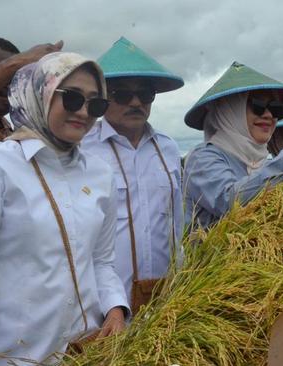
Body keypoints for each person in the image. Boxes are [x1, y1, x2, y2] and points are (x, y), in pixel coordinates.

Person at [0, 52, 129, 366]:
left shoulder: (101, 173)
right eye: (73, 98)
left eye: (96, 104)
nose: (84, 112)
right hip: (15, 356)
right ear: (41, 92)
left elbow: (102, 262)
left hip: (86, 353)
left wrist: (116, 309)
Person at [81, 37, 185, 314]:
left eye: (146, 94)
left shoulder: (168, 148)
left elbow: (177, 224)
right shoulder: (83, 149)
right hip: (103, 305)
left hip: (166, 297)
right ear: (103, 99)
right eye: (123, 95)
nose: (137, 102)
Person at [183, 61, 283, 229]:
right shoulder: (202, 158)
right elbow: (229, 202)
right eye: (257, 106)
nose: (268, 115)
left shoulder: (264, 165)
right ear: (230, 110)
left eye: (275, 108)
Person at [0, 37, 63, 166]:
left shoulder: (10, 129)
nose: (11, 86)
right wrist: (20, 61)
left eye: (17, 78)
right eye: (5, 75)